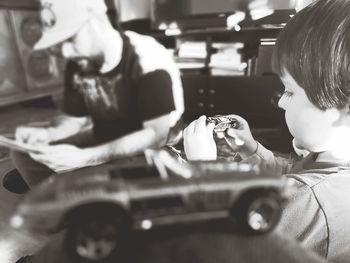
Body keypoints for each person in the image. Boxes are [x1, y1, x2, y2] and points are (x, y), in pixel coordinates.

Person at [183, 0, 350, 262]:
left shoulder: (309, 201)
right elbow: (293, 173)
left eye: (291, 91)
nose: (281, 101)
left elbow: (225, 242)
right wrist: (251, 150)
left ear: (344, 110)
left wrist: (203, 171)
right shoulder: (329, 162)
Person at [6, 0, 184, 191]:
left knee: (91, 178)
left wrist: (84, 158)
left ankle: (74, 185)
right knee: (22, 153)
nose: (65, 52)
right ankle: (60, 190)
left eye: (70, 39)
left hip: (149, 147)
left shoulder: (147, 58)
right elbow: (73, 120)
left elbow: (155, 136)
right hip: (103, 134)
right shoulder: (79, 62)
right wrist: (48, 134)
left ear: (96, 22)